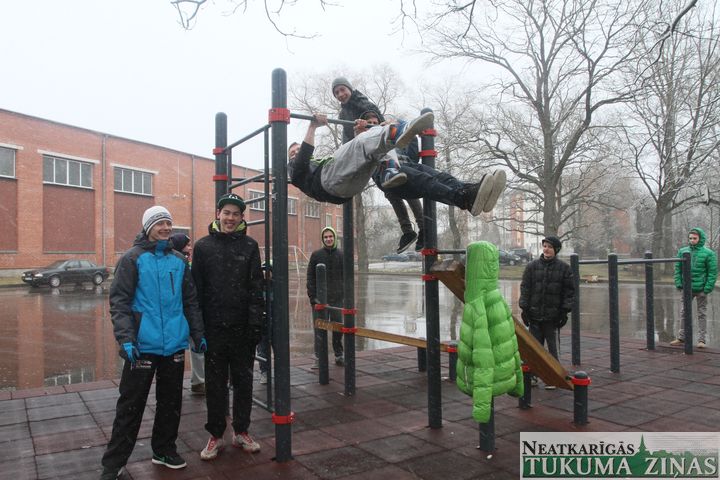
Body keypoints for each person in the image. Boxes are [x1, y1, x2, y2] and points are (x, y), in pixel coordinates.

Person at [100, 206, 206, 480]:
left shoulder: (179, 261)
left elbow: (190, 301)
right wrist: (125, 338)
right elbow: (119, 302)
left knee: (171, 403)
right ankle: (114, 463)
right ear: (148, 227)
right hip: (142, 347)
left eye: (169, 223)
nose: (166, 227)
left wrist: (197, 333)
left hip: (172, 345)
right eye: (160, 223)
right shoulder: (132, 259)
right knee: (130, 406)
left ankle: (164, 450)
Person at [289, 112, 506, 216]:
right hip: (332, 184)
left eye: (297, 150)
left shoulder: (323, 164)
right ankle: (395, 133)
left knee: (434, 176)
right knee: (421, 177)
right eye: (293, 152)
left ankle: (467, 194)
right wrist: (312, 127)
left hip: (346, 191)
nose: (296, 153)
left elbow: (354, 159)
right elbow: (310, 156)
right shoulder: (297, 171)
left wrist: (363, 133)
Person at [191, 193, 264, 461]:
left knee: (244, 382)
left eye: (236, 214)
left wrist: (256, 324)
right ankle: (215, 434)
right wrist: (197, 330)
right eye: (226, 213)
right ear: (218, 214)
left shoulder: (250, 247)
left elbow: (256, 288)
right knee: (215, 384)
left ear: (242, 218)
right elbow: (195, 292)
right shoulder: (202, 248)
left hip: (242, 329)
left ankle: (241, 431)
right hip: (213, 330)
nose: (230, 218)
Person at [332, 78, 422, 252]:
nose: (340, 95)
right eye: (336, 93)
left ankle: (423, 226)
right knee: (390, 190)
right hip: (368, 155)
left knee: (404, 184)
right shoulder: (344, 114)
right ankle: (407, 230)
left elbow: (376, 122)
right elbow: (347, 137)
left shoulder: (361, 102)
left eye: (342, 90)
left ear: (349, 89)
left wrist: (368, 126)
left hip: (382, 150)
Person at [358, 110, 425, 253]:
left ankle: (422, 227)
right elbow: (358, 147)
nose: (372, 125)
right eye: (369, 123)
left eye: (375, 123)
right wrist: (360, 130)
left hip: (396, 165)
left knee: (406, 189)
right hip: (381, 173)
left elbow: (403, 133)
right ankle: (408, 231)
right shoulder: (363, 137)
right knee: (392, 193)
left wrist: (394, 124)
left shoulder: (386, 133)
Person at [518, 236, 574, 390]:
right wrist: (524, 308)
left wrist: (564, 312)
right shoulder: (532, 267)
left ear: (555, 249)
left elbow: (569, 292)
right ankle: (534, 376)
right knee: (535, 349)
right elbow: (525, 288)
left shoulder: (564, 269)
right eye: (544, 246)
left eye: (549, 246)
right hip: (534, 314)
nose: (546, 249)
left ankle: (553, 377)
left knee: (552, 349)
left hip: (552, 316)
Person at [170, 233, 206, 395]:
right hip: (184, 311)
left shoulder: (187, 262)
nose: (190, 247)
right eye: (187, 244)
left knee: (196, 346)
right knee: (190, 348)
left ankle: (198, 382)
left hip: (188, 311)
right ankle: (196, 382)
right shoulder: (180, 263)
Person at [671, 227, 717, 349]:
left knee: (701, 313)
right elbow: (677, 269)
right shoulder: (683, 251)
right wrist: (679, 283)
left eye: (694, 238)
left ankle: (701, 340)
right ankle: (682, 337)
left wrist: (707, 288)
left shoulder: (709, 253)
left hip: (701, 289)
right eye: (690, 238)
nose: (692, 240)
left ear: (700, 239)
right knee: (684, 312)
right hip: (687, 288)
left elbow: (712, 272)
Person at [307, 226, 345, 366]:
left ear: (334, 238)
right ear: (323, 239)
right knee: (319, 330)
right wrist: (313, 298)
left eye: (330, 236)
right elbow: (310, 277)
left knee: (337, 329)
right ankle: (319, 358)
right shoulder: (316, 255)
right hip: (319, 301)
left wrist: (344, 297)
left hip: (337, 300)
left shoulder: (341, 255)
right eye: (325, 237)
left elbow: (346, 278)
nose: (328, 239)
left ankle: (339, 354)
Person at [256, 261, 272, 385]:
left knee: (278, 347)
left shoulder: (276, 286)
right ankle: (264, 372)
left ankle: (280, 371)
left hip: (274, 322)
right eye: (263, 270)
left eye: (268, 270)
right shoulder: (258, 286)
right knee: (262, 349)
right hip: (262, 322)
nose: (266, 273)